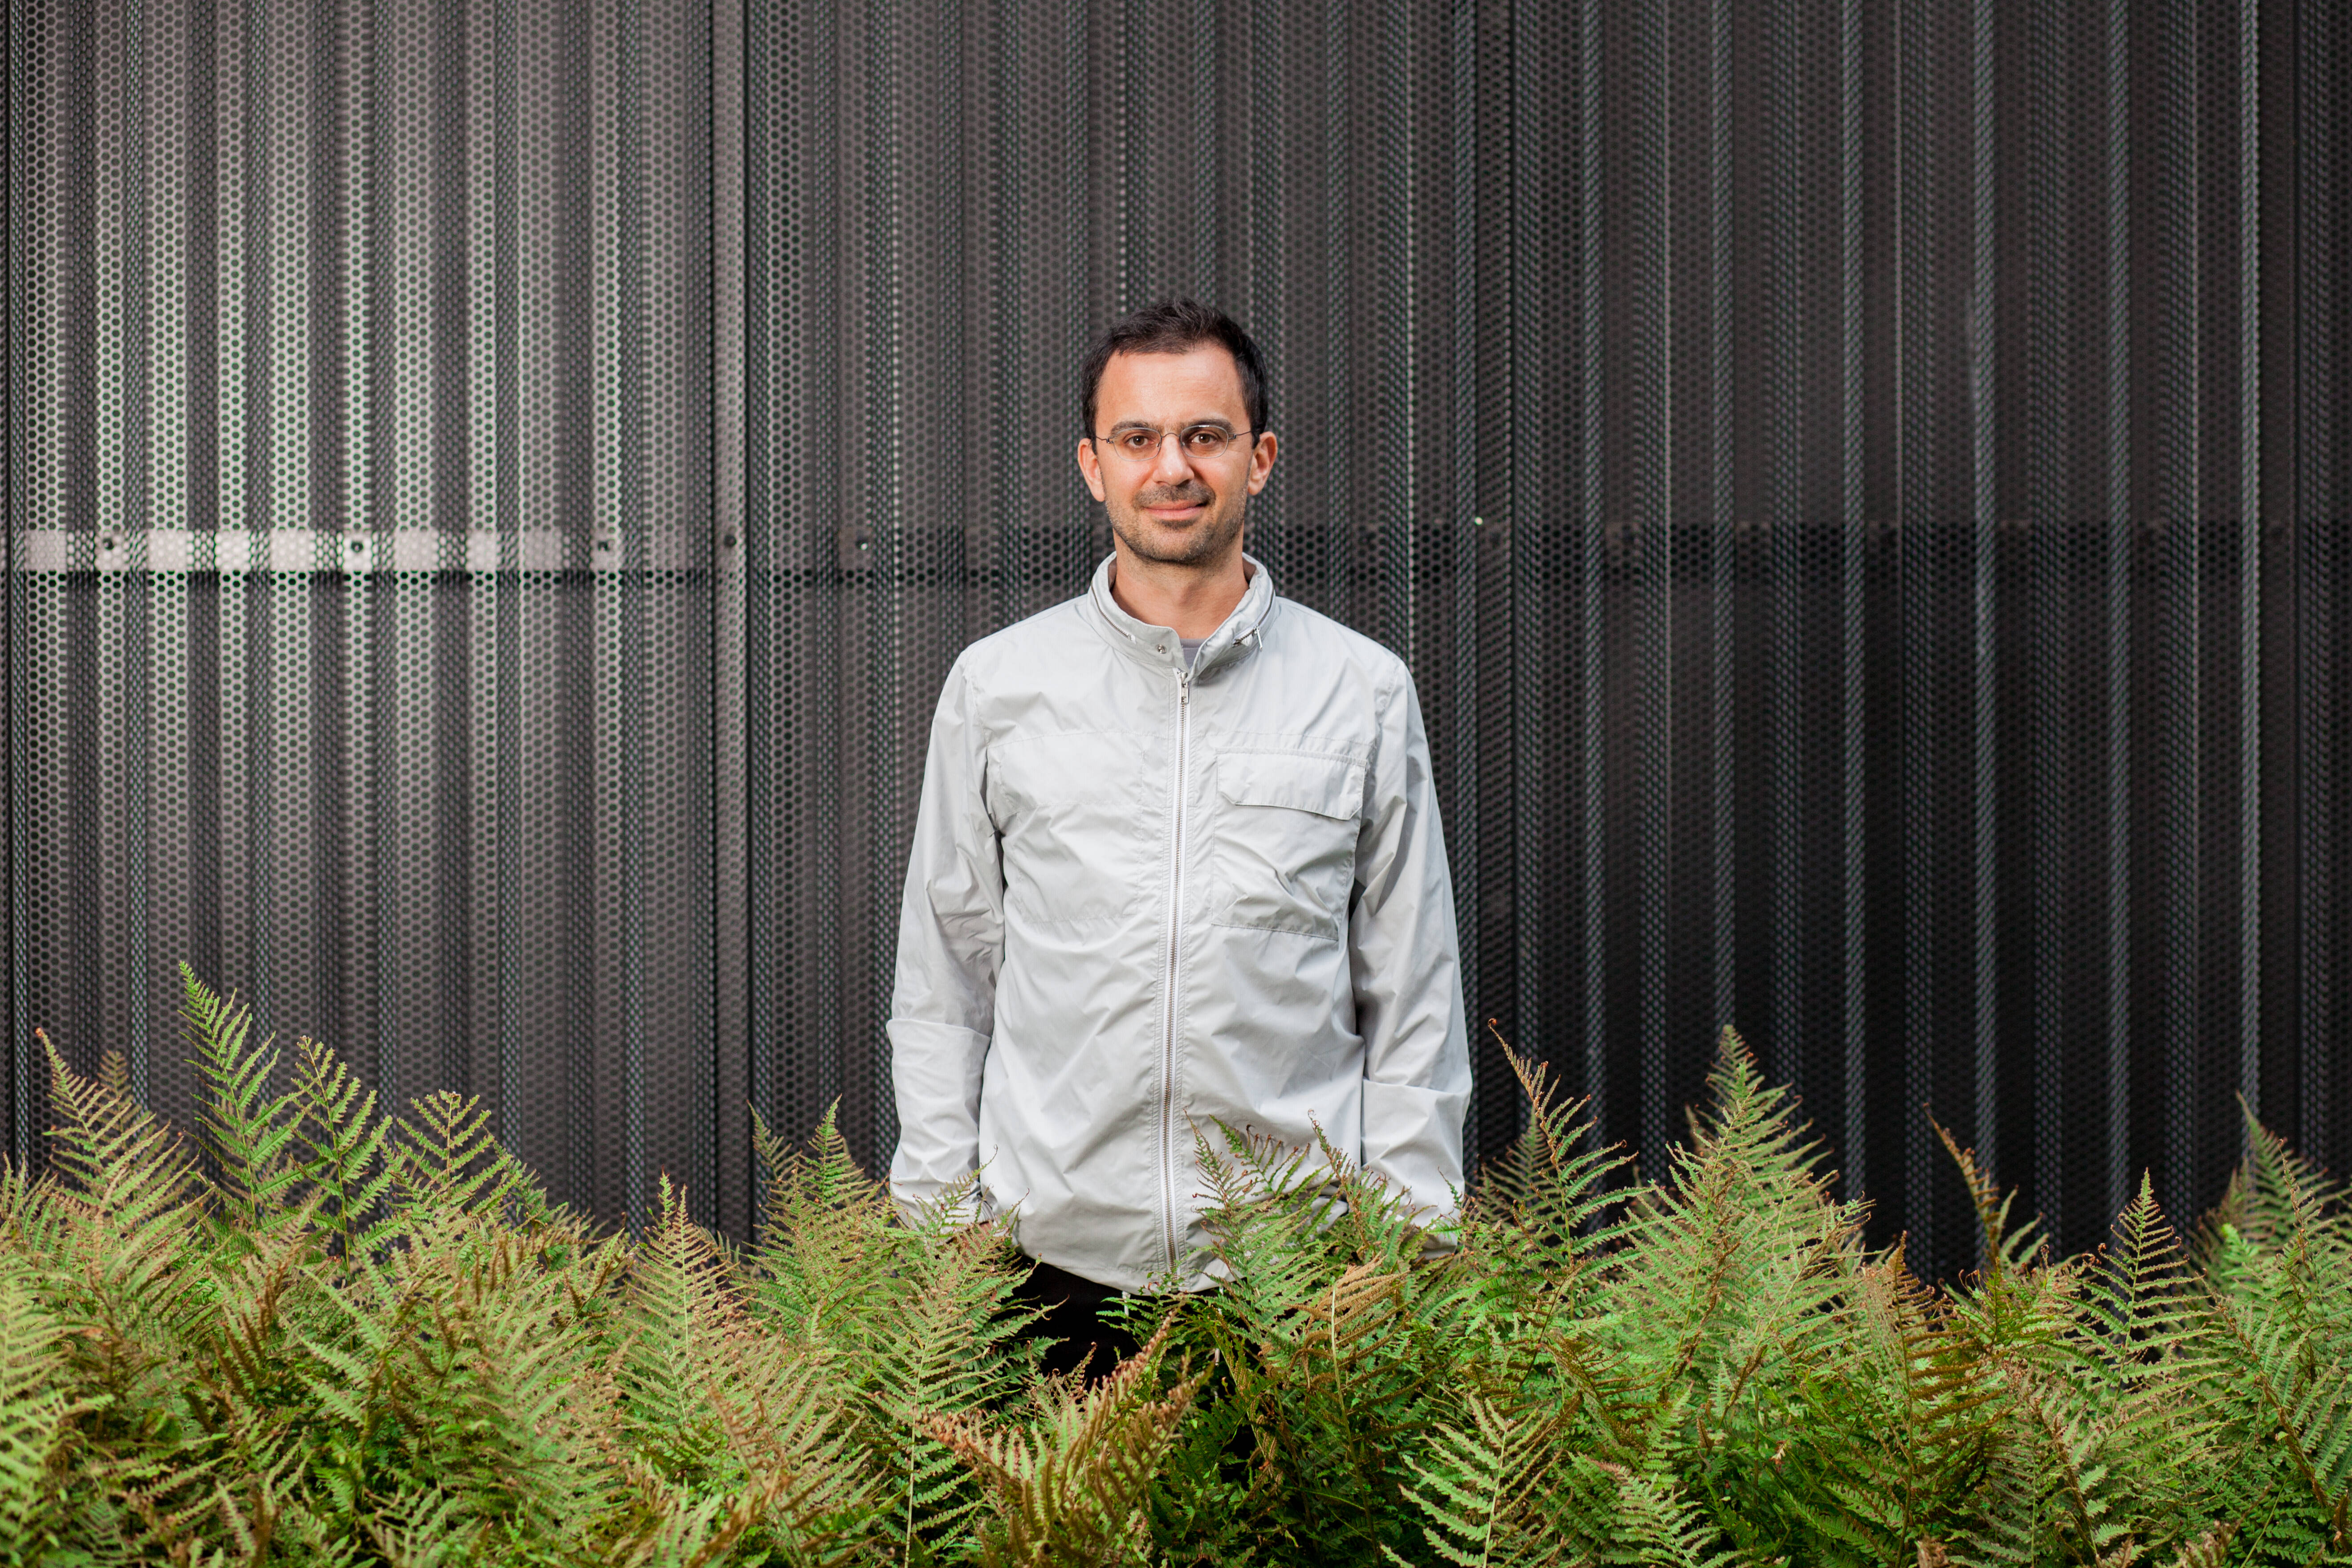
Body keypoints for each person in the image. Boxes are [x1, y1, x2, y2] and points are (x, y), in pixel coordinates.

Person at [885, 299, 1471, 1378]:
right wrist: (941, 1224)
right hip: (1041, 1270)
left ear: (1261, 458)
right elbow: (945, 980)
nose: (1173, 468)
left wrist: (1403, 1238)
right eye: (1137, 438)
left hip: (1295, 1275)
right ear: (1090, 464)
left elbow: (1413, 994)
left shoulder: (1362, 692)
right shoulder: (1000, 687)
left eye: (1205, 436)